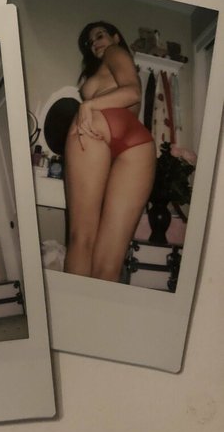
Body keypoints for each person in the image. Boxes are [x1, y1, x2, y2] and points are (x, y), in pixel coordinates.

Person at [63, 22, 156, 281]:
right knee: (111, 261)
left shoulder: (115, 51)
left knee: (82, 238)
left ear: (115, 37)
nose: (95, 43)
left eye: (100, 35)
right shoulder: (110, 63)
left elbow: (133, 92)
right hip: (138, 143)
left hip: (99, 124)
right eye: (90, 42)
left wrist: (88, 105)